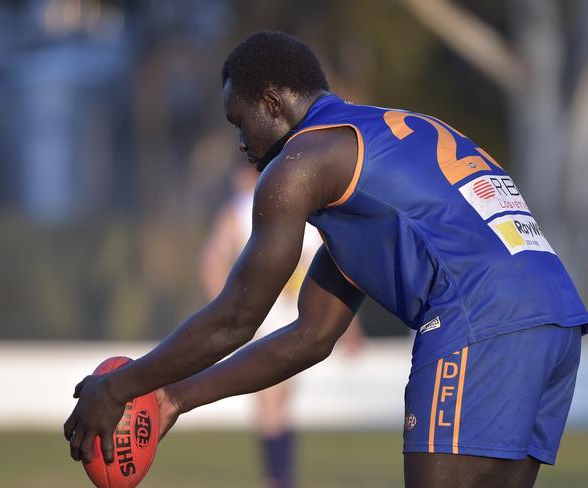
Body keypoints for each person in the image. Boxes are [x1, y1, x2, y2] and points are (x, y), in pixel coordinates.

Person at [64, 32, 587, 487]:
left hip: (480, 317)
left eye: (240, 121)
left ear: (271, 101)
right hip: (554, 316)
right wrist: (171, 398)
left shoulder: (298, 164)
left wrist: (120, 388)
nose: (242, 144)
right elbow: (310, 336)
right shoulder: (369, 145)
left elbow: (237, 316)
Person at [199, 164, 362, 488]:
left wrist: (226, 312)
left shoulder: (241, 209)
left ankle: (279, 476)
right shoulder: (302, 209)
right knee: (275, 403)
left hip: (265, 318)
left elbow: (211, 262)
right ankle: (280, 476)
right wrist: (350, 325)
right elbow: (339, 268)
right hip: (296, 318)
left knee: (272, 404)